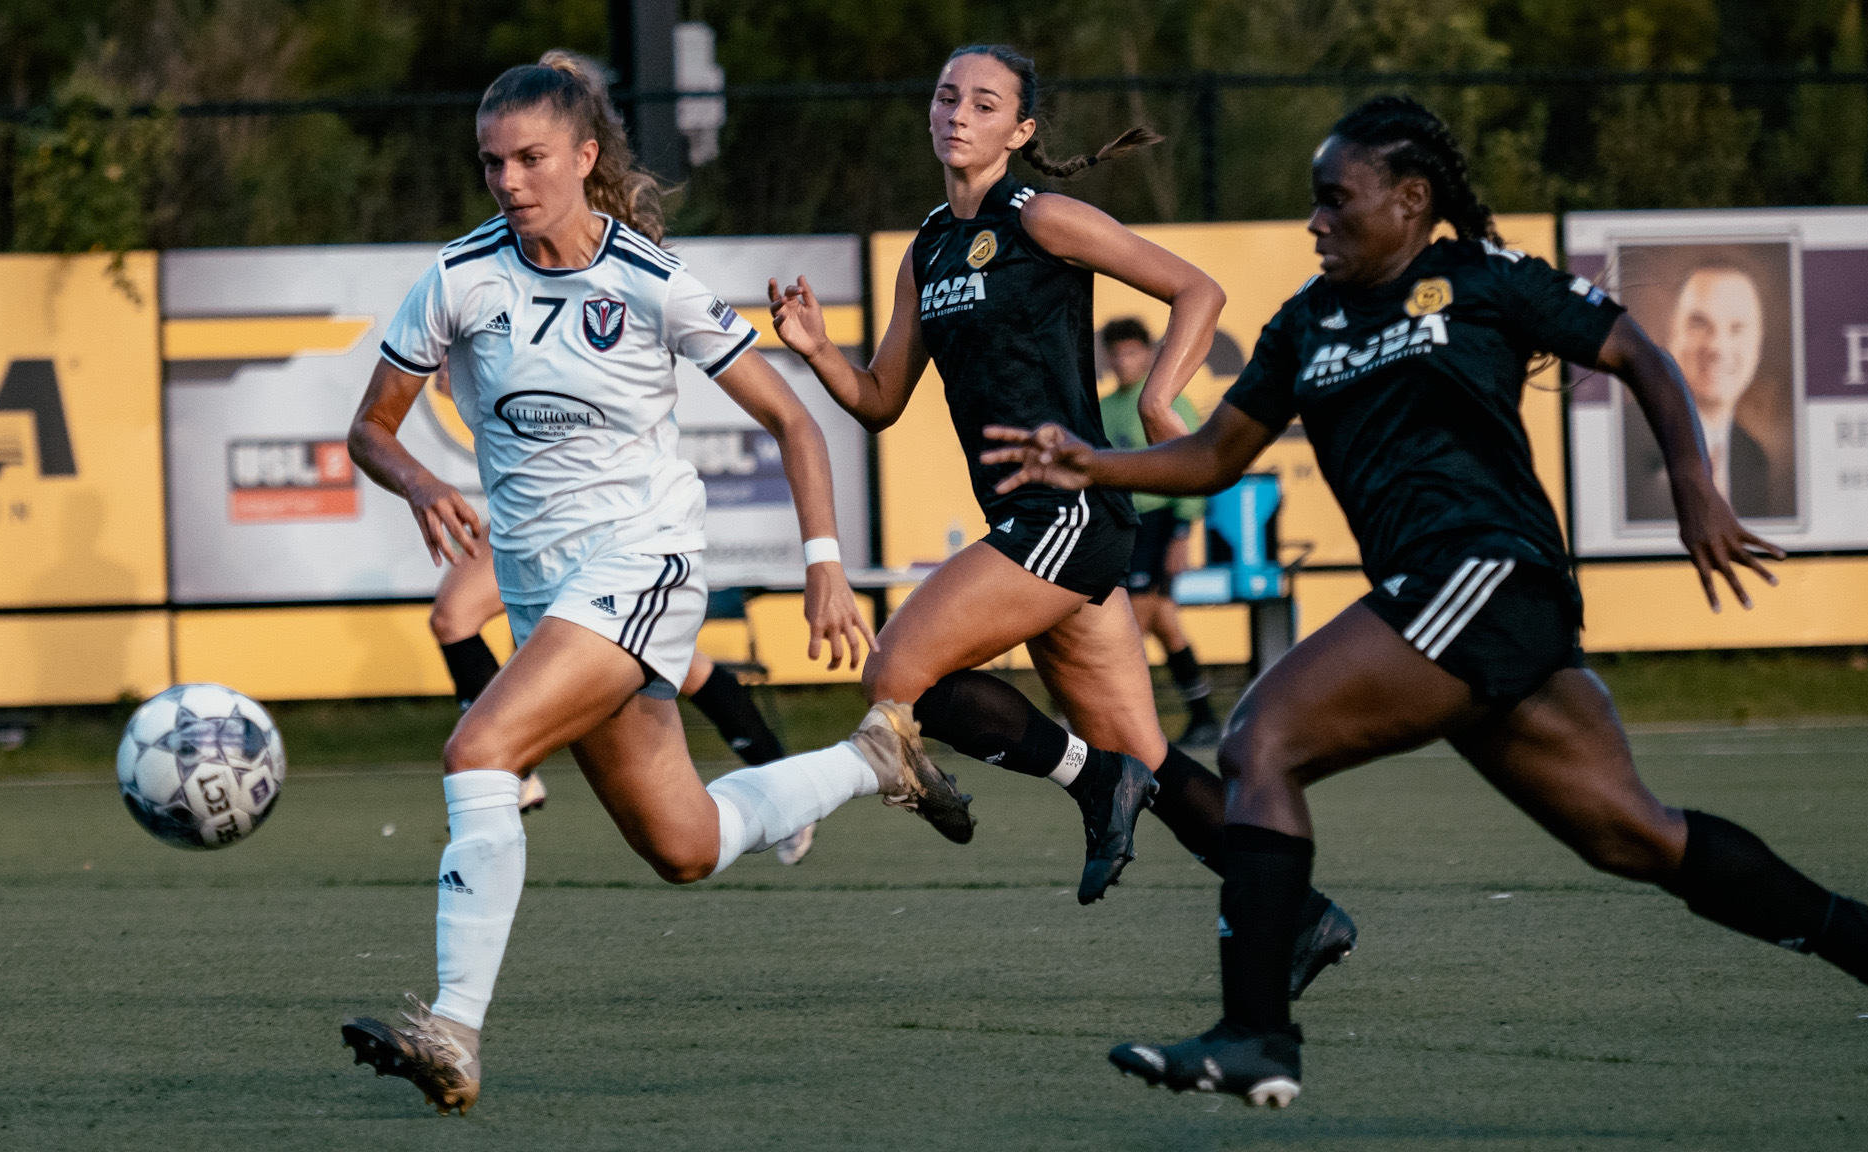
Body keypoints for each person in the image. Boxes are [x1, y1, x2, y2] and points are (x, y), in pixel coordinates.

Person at [984, 95, 1868, 1107]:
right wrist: (1094, 460)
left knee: (1261, 737)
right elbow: (1214, 456)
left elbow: (1638, 355)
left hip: (1489, 574)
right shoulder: (1304, 322)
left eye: (1334, 201)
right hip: (1443, 600)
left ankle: (1256, 1031)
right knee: (1631, 835)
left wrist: (1692, 484)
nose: (1314, 222)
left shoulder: (1478, 281)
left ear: (1409, 200)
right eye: (1311, 203)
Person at [337, 53, 973, 1116]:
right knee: (684, 846)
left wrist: (824, 565)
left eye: (530, 158)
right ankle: (874, 759)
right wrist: (417, 480)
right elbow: (369, 426)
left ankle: (449, 1029)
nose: (508, 180)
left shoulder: (650, 281)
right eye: (491, 162)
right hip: (548, 591)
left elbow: (790, 419)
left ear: (585, 158)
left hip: (644, 563)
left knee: (478, 749)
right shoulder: (458, 278)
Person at [770, 41, 1356, 985]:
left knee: (899, 672)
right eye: (946, 95)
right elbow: (881, 399)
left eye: (985, 102)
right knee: (1148, 756)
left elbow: (1194, 291)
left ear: (1022, 130)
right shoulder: (927, 247)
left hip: (1072, 510)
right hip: (1031, 521)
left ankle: (1093, 783)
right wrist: (815, 350)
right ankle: (1300, 915)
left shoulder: (1041, 216)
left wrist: (1163, 405)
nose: (958, 113)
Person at [428, 531, 815, 864]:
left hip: (602, 520)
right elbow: (374, 441)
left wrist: (823, 557)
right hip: (521, 514)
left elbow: (796, 439)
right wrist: (417, 480)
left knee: (678, 664)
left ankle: (786, 787)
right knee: (452, 616)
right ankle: (515, 774)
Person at [1096, 316, 1221, 745]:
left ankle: (1116, 723)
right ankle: (1203, 716)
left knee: (1135, 622)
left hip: (1161, 521)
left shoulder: (1165, 400)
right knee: (1165, 624)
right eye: (1115, 353)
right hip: (1122, 524)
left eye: (1131, 352)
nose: (1123, 361)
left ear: (1149, 355)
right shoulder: (1104, 408)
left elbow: (1192, 463)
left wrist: (1183, 532)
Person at [1624, 263, 1782, 520]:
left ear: (1758, 346)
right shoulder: (1623, 443)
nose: (1717, 346)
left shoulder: (1752, 459)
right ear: (1670, 336)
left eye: (1737, 328)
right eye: (1699, 324)